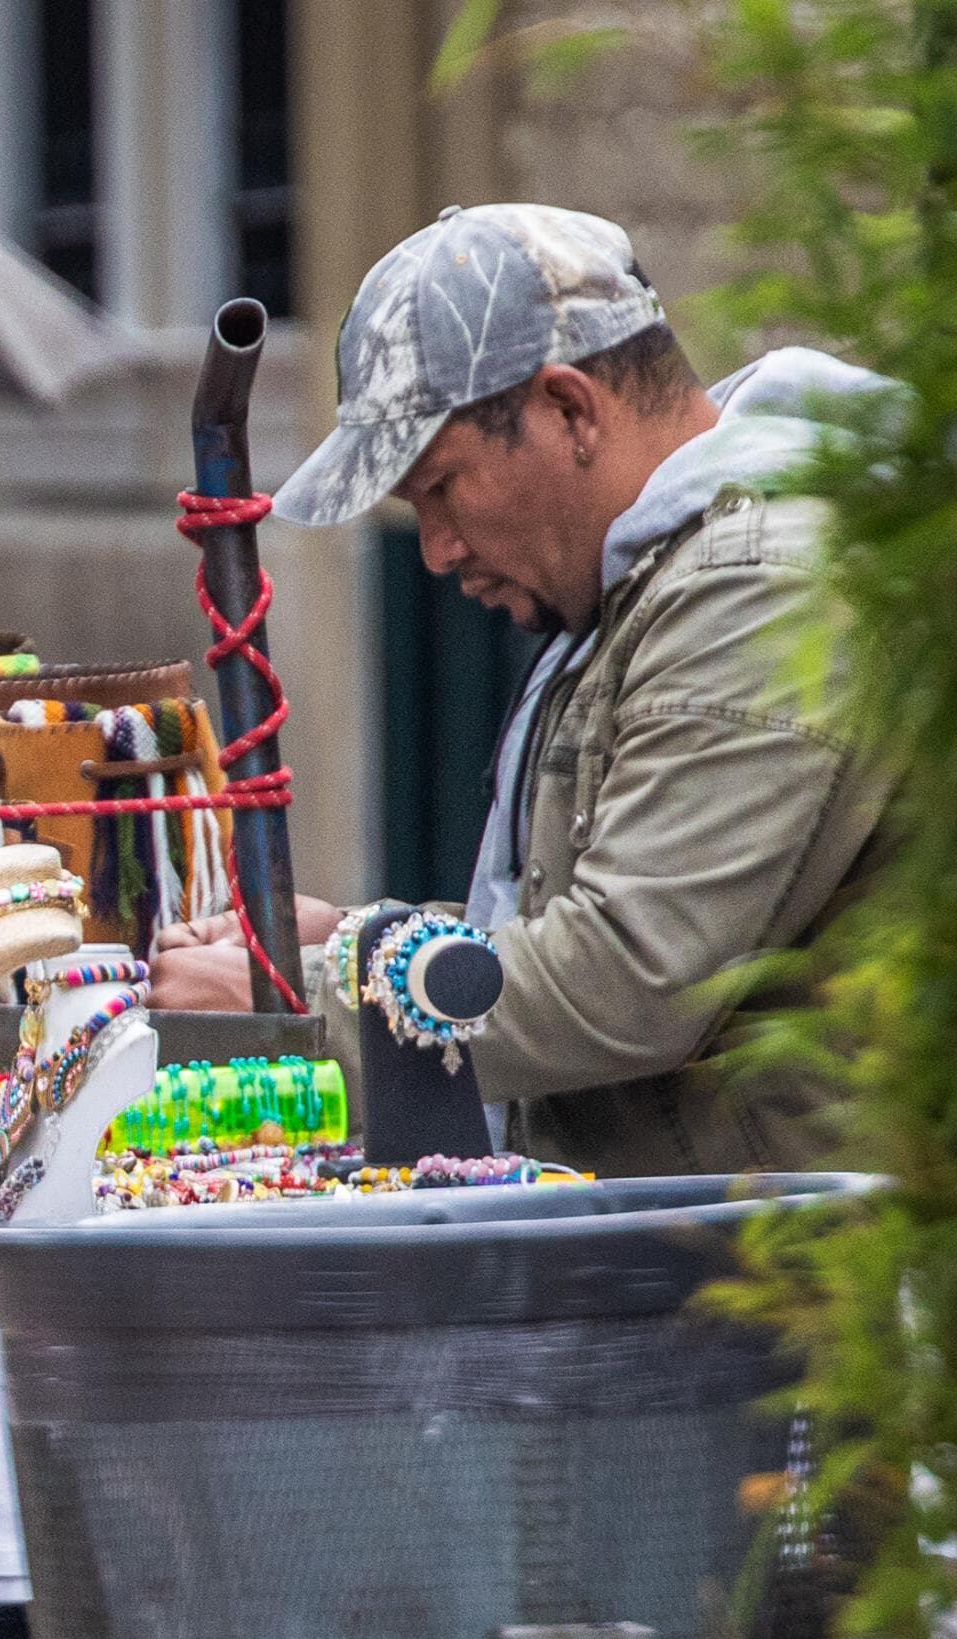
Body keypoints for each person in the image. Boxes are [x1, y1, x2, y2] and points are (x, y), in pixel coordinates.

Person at [148, 204, 900, 1175]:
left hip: (797, 1290)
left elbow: (630, 974)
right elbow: (587, 929)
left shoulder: (758, 582)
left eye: (440, 488)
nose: (433, 550)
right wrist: (363, 940)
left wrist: (300, 997)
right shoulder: (644, 577)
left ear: (568, 410)